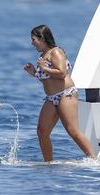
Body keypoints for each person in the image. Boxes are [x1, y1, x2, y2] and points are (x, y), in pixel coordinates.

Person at [23, 25, 95, 161]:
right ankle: (48, 162)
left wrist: (43, 67)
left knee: (72, 130)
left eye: (34, 40)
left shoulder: (56, 52)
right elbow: (48, 79)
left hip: (66, 94)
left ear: (42, 38)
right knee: (42, 131)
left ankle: (93, 160)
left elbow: (62, 73)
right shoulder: (42, 55)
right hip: (51, 98)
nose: (32, 43)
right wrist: (34, 72)